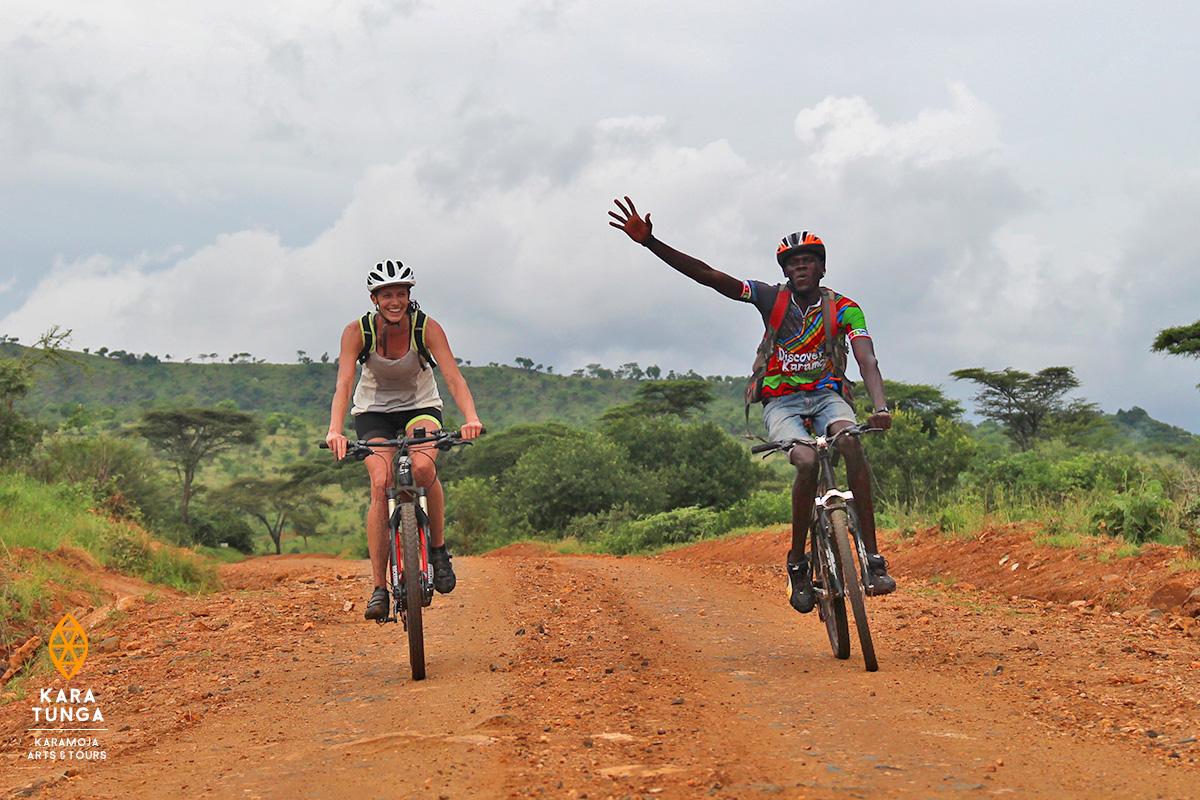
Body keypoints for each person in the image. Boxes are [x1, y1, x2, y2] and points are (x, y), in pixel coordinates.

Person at [609, 197, 895, 613]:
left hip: (830, 396)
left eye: (809, 261)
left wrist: (880, 406)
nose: (800, 268)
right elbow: (710, 277)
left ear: (822, 267)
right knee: (806, 461)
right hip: (782, 401)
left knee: (852, 444)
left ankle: (872, 557)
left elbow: (867, 357)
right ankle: (798, 563)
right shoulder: (769, 298)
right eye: (792, 263)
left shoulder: (845, 308)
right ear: (784, 270)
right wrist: (652, 243)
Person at [326, 259, 484, 620]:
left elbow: (454, 377)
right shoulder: (356, 332)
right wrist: (335, 429)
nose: (394, 300)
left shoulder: (426, 328)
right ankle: (379, 587)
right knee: (381, 482)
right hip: (373, 411)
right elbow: (344, 384)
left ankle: (439, 550)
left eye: (401, 293)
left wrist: (471, 418)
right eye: (386, 295)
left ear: (409, 296)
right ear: (374, 298)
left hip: (421, 406)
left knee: (424, 467)